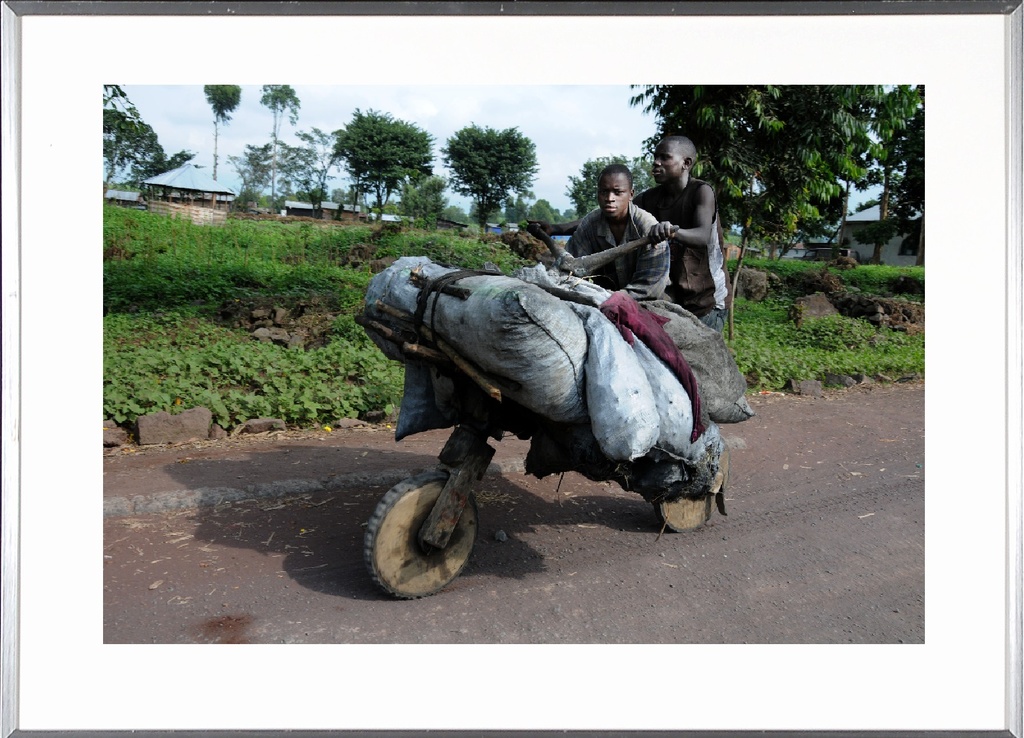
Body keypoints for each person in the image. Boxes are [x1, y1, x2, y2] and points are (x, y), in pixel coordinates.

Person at [531, 136, 731, 331]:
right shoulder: (651, 198)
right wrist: (555, 229)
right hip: (672, 294)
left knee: (693, 358)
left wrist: (671, 232)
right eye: (655, 157)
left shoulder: (701, 191)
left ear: (686, 163)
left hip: (705, 298)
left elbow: (702, 236)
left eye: (664, 157)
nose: (656, 163)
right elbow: (609, 214)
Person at [561, 163, 668, 301]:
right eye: (604, 192)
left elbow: (649, 288)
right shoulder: (590, 223)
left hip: (648, 302)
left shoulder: (648, 227)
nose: (609, 198)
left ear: (631, 194)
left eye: (617, 193)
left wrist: (609, 298)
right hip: (602, 299)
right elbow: (571, 266)